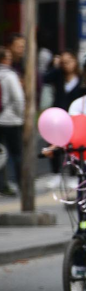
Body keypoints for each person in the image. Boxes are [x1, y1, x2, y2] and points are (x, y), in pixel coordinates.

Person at [0, 47, 23, 195]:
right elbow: (19, 99)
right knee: (16, 154)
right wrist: (20, 115)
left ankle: (3, 185)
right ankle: (21, 183)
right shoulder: (10, 75)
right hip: (12, 121)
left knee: (1, 153)